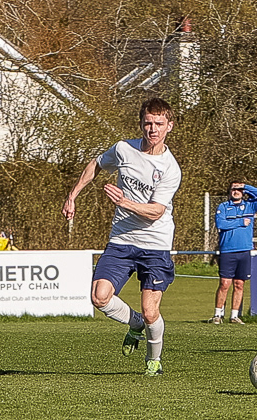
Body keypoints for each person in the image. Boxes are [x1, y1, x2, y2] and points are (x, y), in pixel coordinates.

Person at [62, 98, 182, 377]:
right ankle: (135, 323)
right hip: (122, 240)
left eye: (159, 124)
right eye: (148, 123)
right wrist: (73, 195)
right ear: (141, 124)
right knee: (99, 297)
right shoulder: (123, 149)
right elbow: (96, 164)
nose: (153, 129)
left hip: (155, 244)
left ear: (170, 126)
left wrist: (124, 202)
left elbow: (155, 212)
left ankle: (153, 360)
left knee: (151, 311)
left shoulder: (170, 168)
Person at [211, 180, 257, 324]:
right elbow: (221, 224)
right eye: (233, 189)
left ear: (244, 192)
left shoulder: (250, 206)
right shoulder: (223, 207)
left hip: (244, 251)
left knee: (239, 284)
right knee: (225, 283)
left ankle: (234, 316)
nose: (236, 192)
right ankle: (217, 315)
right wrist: (240, 222)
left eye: (239, 189)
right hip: (227, 251)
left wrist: (246, 187)